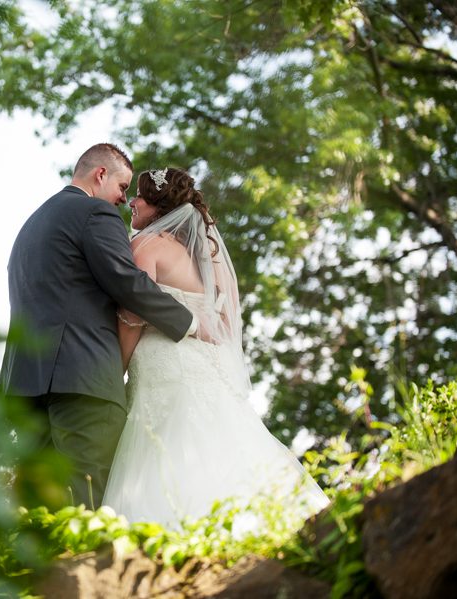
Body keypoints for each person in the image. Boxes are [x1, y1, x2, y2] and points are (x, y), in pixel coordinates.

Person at [102, 167, 329, 527]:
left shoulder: (144, 245)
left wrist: (117, 370)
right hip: (206, 368)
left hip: (164, 366)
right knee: (226, 443)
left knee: (162, 452)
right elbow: (222, 325)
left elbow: (132, 314)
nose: (133, 201)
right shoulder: (209, 255)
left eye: (141, 196)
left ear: (158, 206)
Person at [0, 144, 200, 507]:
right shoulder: (94, 213)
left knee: (39, 503)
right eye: (123, 187)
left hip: (27, 383)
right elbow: (127, 281)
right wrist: (189, 321)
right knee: (87, 497)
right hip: (82, 379)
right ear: (100, 175)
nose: (124, 200)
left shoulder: (32, 224)